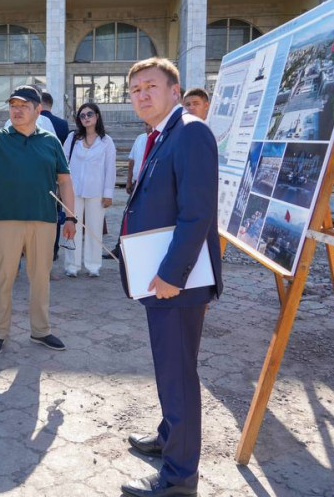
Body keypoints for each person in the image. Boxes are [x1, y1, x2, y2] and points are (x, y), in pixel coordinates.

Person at [117, 58, 223, 497]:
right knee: (170, 368)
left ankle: (179, 479)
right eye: (135, 89)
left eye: (150, 86)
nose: (142, 95)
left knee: (178, 374)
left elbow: (196, 213)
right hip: (159, 275)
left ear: (175, 91)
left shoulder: (192, 132)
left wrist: (170, 274)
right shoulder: (159, 136)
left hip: (176, 282)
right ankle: (168, 437)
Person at [0, 85, 76, 357]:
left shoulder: (50, 141)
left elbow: (65, 180)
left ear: (38, 110)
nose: (18, 110)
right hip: (4, 220)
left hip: (44, 220)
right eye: (14, 105)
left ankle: (41, 330)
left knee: (40, 278)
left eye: (25, 105)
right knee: (2, 278)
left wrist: (70, 216)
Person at [61, 103, 116, 278]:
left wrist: (108, 194)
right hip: (73, 190)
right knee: (71, 228)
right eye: (82, 115)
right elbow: (63, 162)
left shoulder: (106, 141)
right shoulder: (73, 138)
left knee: (94, 228)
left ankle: (93, 266)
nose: (86, 118)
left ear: (97, 116)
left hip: (97, 191)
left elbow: (110, 169)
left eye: (89, 114)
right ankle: (72, 265)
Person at [39, 92, 71, 261]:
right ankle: (53, 249)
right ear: (50, 103)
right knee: (54, 214)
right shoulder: (62, 124)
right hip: (54, 176)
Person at [126, 122, 152, 195]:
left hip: (152, 184)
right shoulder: (140, 138)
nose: (148, 127)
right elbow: (132, 161)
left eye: (150, 124)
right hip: (136, 183)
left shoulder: (161, 140)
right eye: (146, 124)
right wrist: (129, 181)